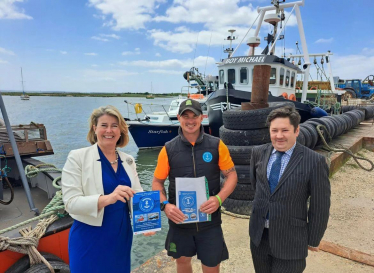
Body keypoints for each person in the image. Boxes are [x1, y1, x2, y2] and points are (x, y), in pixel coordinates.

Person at [152, 99, 238, 273]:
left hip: (210, 222)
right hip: (180, 221)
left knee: (212, 266)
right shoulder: (168, 149)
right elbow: (157, 182)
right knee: (182, 263)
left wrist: (219, 199)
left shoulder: (216, 145)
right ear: (178, 118)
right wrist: (165, 205)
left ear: (202, 118)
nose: (190, 121)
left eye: (194, 116)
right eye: (186, 116)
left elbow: (232, 175)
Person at [62, 105, 147, 273]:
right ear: (95, 128)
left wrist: (147, 222)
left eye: (114, 125)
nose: (109, 130)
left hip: (120, 236)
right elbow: (71, 203)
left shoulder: (128, 160)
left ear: (121, 130)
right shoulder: (77, 157)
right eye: (104, 125)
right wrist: (109, 198)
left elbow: (137, 194)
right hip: (89, 236)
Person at [249, 105, 331, 273]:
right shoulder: (258, 152)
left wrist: (313, 239)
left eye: (285, 130)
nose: (279, 136)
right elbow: (256, 186)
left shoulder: (314, 161)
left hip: (291, 240)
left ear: (297, 130)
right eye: (274, 130)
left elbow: (320, 205)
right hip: (259, 237)